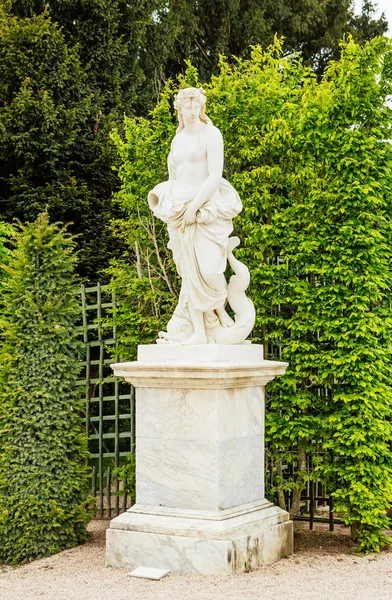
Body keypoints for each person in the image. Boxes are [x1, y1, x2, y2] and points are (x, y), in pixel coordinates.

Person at [148, 87, 245, 345]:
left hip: (205, 210)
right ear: (179, 109)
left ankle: (219, 309)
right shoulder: (177, 140)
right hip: (179, 210)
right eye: (186, 106)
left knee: (211, 270)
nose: (191, 111)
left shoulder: (211, 135)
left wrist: (195, 208)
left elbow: (214, 175)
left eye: (195, 106)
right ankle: (199, 332)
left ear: (201, 107)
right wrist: (170, 202)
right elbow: (174, 177)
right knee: (189, 273)